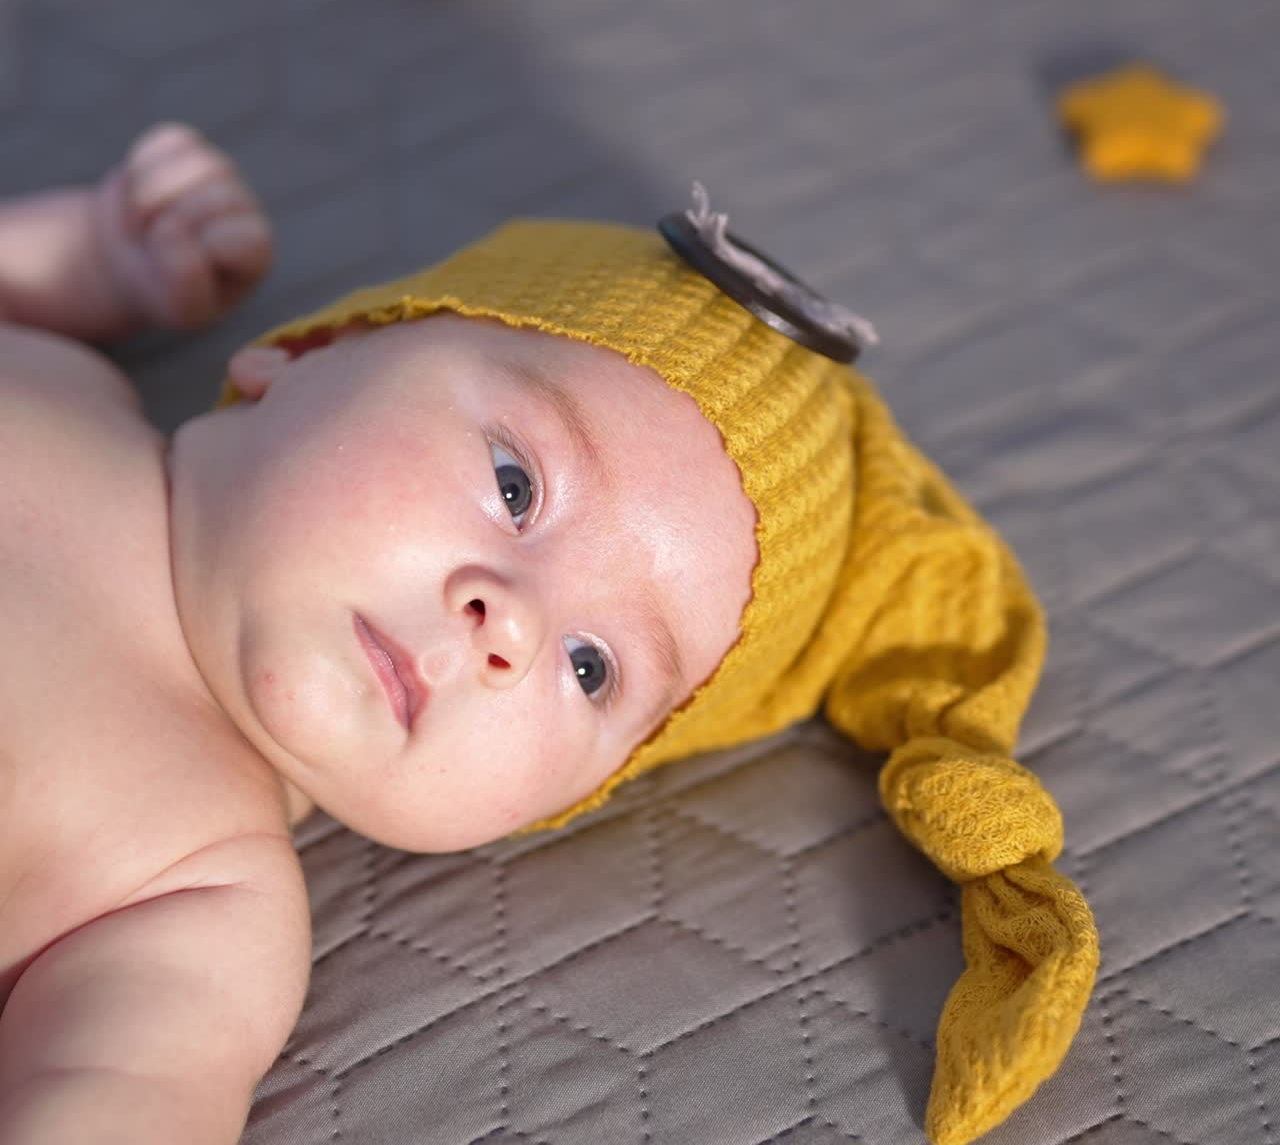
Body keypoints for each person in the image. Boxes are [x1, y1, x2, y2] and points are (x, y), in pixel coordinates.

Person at [0, 123, 1098, 1145]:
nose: (511, 625)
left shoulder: (198, 899)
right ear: (310, 349)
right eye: (515, 482)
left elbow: (121, 1100)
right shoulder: (60, 376)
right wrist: (90, 257)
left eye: (592, 668)